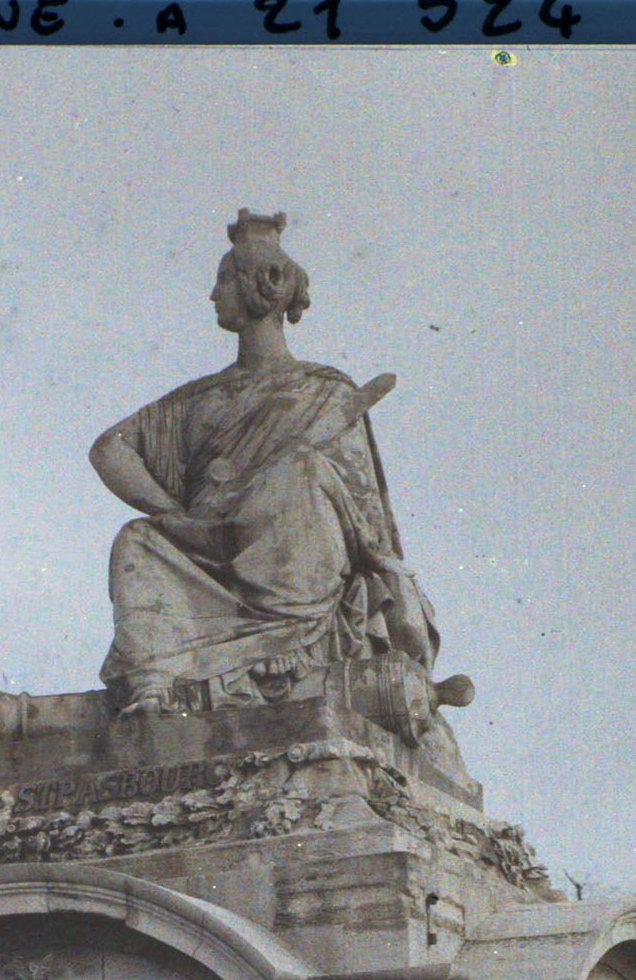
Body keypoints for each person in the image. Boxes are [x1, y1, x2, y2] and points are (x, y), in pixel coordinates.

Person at [91, 209, 439, 714]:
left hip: (295, 561)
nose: (213, 296)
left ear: (262, 287)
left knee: (301, 471)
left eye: (223, 281)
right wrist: (171, 513)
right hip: (208, 548)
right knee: (137, 539)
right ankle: (153, 684)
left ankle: (287, 642)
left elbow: (360, 511)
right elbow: (109, 448)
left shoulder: (326, 391)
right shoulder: (197, 398)